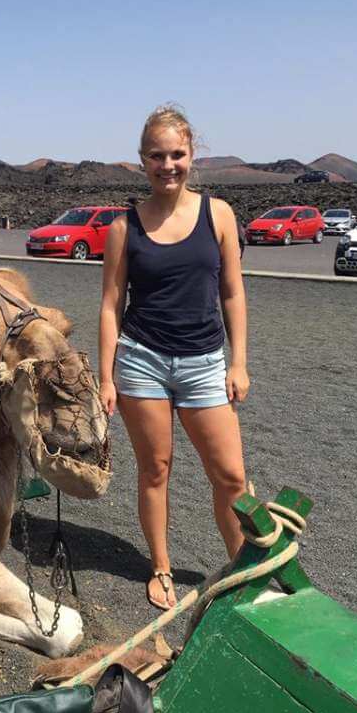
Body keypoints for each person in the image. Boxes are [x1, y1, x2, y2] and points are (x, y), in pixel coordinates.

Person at [98, 105, 249, 610]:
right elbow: (110, 305)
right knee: (155, 469)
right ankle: (161, 566)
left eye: (178, 154)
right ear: (142, 160)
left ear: (192, 155)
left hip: (205, 361)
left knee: (230, 474)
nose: (169, 165)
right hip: (142, 362)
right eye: (157, 156)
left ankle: (244, 565)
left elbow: (232, 292)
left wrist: (239, 361)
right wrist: (105, 377)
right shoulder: (125, 227)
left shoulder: (219, 214)